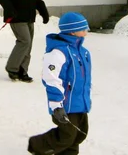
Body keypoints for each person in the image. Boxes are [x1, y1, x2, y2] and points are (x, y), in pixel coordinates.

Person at [27, 13, 92, 155]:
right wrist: (56, 104)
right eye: (83, 28)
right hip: (64, 103)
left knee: (80, 134)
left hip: (80, 102)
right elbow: (50, 78)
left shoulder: (82, 52)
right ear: (72, 31)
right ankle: (36, 146)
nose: (87, 31)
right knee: (67, 135)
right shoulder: (58, 52)